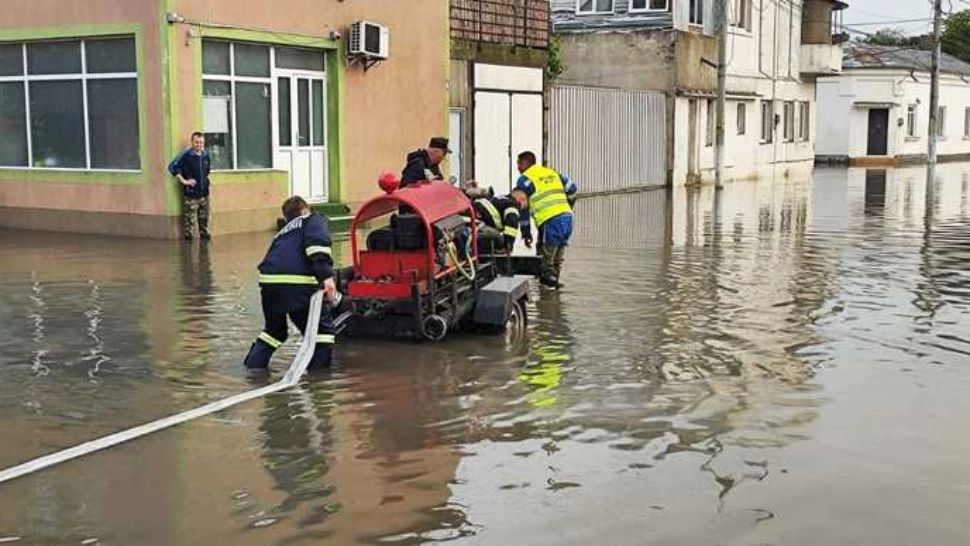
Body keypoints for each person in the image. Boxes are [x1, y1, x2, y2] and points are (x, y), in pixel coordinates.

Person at [243, 196, 338, 374]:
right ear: (304, 210)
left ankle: (253, 370)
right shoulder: (313, 219)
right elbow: (317, 246)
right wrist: (327, 277)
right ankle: (319, 380)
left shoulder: (283, 231)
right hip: (297, 283)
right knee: (322, 332)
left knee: (274, 331)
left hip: (269, 283)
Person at [514, 151, 578, 289]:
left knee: (545, 262)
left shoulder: (525, 179)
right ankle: (555, 297)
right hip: (567, 219)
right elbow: (572, 189)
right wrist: (567, 208)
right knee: (557, 260)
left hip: (550, 221)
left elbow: (523, 205)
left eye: (518, 164)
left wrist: (526, 232)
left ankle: (546, 301)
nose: (517, 168)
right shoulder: (553, 173)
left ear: (525, 163)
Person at [169, 132, 212, 240]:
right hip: (191, 195)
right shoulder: (186, 156)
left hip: (204, 194)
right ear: (192, 142)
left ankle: (204, 241)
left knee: (204, 222)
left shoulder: (205, 155)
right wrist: (184, 181)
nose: (199, 145)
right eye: (197, 142)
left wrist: (206, 183)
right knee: (190, 226)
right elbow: (172, 168)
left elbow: (207, 171)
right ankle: (188, 250)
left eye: (201, 142)